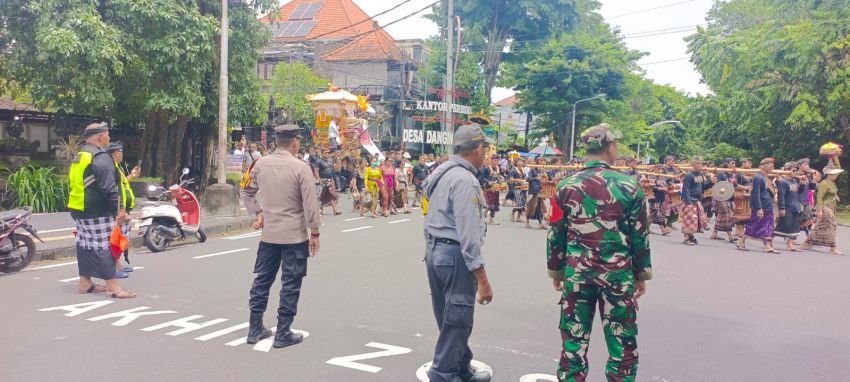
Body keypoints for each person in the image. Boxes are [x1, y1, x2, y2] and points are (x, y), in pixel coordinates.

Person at [547, 124, 651, 381]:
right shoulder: (630, 187)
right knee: (622, 344)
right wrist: (641, 275)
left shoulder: (565, 186)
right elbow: (639, 236)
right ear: (610, 146)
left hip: (577, 274)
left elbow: (556, 233)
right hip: (617, 276)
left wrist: (557, 271)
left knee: (573, 342)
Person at [422, 124, 494, 382]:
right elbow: (469, 234)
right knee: (458, 317)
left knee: (449, 314)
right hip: (454, 255)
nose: (486, 154)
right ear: (478, 149)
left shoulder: (442, 171)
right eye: (485, 148)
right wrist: (482, 279)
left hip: (435, 250)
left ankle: (461, 367)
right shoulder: (465, 180)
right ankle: (443, 374)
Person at [240, 124, 321, 349]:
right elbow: (311, 204)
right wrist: (315, 232)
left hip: (269, 237)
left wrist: (259, 212)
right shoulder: (301, 168)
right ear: (294, 142)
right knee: (291, 284)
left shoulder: (259, 164)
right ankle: (283, 332)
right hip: (294, 237)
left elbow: (245, 189)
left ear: (276, 142)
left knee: (262, 281)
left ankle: (255, 328)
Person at [67, 123, 135, 299]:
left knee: (84, 245)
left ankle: (85, 283)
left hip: (79, 208)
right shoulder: (100, 156)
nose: (109, 138)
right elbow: (109, 188)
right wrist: (120, 210)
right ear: (100, 136)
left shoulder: (81, 155)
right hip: (97, 210)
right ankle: (113, 287)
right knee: (105, 246)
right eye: (107, 135)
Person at [106, 142, 139, 278]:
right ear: (115, 153)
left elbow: (122, 183)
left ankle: (118, 264)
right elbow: (113, 189)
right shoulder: (111, 168)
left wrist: (132, 176)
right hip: (118, 210)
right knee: (114, 239)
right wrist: (120, 210)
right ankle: (113, 267)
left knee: (121, 239)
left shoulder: (117, 167)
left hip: (123, 209)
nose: (122, 154)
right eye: (121, 152)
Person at [738, 158, 778, 253]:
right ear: (762, 166)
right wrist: (759, 208)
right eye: (768, 164)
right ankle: (741, 241)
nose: (771, 166)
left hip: (768, 205)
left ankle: (767, 245)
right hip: (761, 206)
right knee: (754, 224)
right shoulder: (758, 177)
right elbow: (756, 194)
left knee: (768, 226)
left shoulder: (767, 178)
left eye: (772, 164)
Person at [802, 166, 844, 255]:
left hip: (832, 206)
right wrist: (819, 210)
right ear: (829, 174)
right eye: (834, 174)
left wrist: (834, 158)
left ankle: (808, 242)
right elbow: (819, 197)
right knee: (832, 225)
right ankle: (833, 247)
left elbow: (838, 165)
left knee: (821, 226)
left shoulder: (832, 183)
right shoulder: (824, 183)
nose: (836, 175)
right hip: (825, 207)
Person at [681, 156, 713, 245]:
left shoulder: (701, 174)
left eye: (701, 163)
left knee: (696, 220)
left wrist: (711, 182)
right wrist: (688, 203)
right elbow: (686, 189)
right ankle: (686, 238)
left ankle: (691, 236)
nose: (700, 165)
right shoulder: (689, 175)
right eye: (698, 163)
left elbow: (703, 187)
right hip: (690, 200)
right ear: (693, 164)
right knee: (689, 219)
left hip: (697, 200)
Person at [775, 162, 803, 251]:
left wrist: (803, 183)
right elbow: (781, 196)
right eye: (793, 170)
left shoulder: (794, 181)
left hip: (795, 206)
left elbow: (799, 192)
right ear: (787, 170)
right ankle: (768, 241)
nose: (795, 172)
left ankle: (790, 245)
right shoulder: (783, 182)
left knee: (794, 227)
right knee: (783, 226)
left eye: (796, 170)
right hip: (787, 207)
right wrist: (782, 208)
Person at [711, 159, 738, 242]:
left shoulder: (733, 175)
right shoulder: (721, 174)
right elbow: (717, 185)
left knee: (721, 216)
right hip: (721, 197)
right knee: (727, 215)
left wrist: (746, 187)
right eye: (732, 163)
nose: (734, 164)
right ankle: (730, 235)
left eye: (734, 163)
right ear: (727, 164)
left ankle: (714, 233)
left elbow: (736, 185)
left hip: (729, 197)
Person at [526, 157, 548, 229]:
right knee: (530, 206)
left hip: (541, 191)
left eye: (544, 160)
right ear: (537, 162)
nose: (543, 162)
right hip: (533, 191)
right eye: (541, 160)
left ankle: (540, 223)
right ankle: (527, 222)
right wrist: (536, 178)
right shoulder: (533, 169)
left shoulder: (544, 170)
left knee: (539, 207)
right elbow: (528, 179)